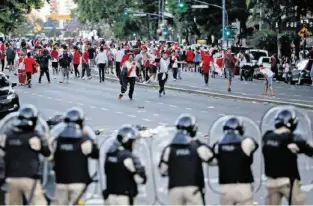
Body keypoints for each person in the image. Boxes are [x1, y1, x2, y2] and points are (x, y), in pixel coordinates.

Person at [158, 114, 214, 205]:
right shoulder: (197, 146)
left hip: (174, 189)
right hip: (193, 189)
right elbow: (213, 161)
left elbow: (162, 170)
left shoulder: (169, 148)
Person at [0, 105, 51, 205]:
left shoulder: (7, 136)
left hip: (11, 178)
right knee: (38, 203)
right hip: (30, 178)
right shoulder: (35, 137)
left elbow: (2, 155)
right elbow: (47, 153)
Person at [49, 107, 99, 205]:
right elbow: (95, 154)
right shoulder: (84, 140)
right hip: (79, 183)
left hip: (60, 182)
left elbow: (48, 155)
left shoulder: (57, 140)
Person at [262, 109, 313, 205]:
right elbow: (309, 150)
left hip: (270, 183)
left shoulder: (267, 136)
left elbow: (279, 146)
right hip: (288, 182)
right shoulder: (293, 138)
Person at [212, 117, 258, 205]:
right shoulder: (246, 142)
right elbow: (255, 145)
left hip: (225, 187)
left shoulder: (219, 145)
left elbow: (212, 160)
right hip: (243, 186)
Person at [104, 125, 147, 205]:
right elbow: (141, 180)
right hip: (125, 197)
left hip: (110, 196)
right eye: (133, 142)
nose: (134, 144)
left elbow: (105, 171)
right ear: (128, 141)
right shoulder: (129, 157)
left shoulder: (109, 155)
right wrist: (137, 171)